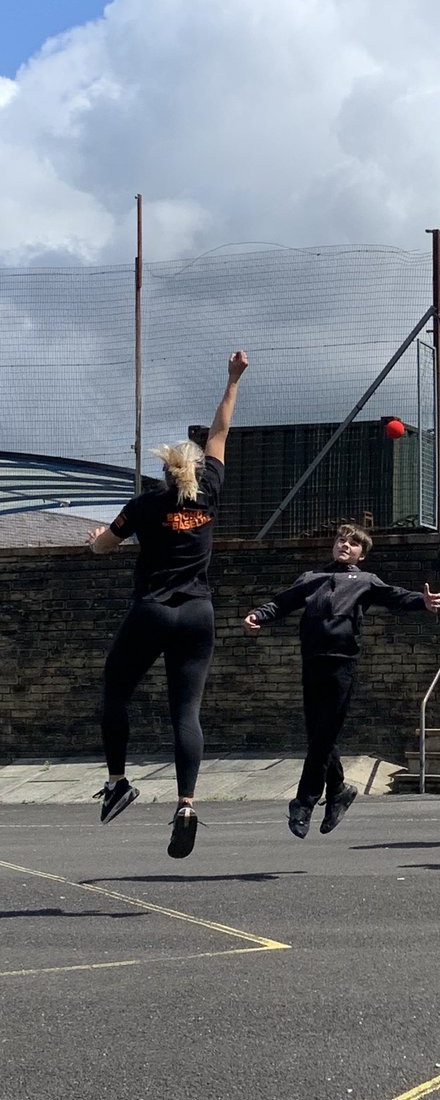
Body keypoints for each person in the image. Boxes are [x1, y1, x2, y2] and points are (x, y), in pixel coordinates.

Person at [88, 350, 249, 859]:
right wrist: (233, 378)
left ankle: (118, 781)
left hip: (152, 610)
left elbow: (101, 547)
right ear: (198, 469)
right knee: (187, 711)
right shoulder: (209, 495)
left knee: (116, 691)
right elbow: (220, 431)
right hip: (198, 614)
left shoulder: (144, 505)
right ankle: (185, 804)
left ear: (164, 470)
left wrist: (97, 537)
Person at [243, 527, 440, 838]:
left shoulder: (365, 580)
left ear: (361, 554)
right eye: (341, 540)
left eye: (353, 543)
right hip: (312, 662)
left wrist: (422, 601)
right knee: (319, 736)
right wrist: (258, 615)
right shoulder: (310, 578)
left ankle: (303, 802)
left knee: (324, 735)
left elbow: (394, 595)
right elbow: (283, 602)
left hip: (342, 663)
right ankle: (337, 790)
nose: (344, 545)